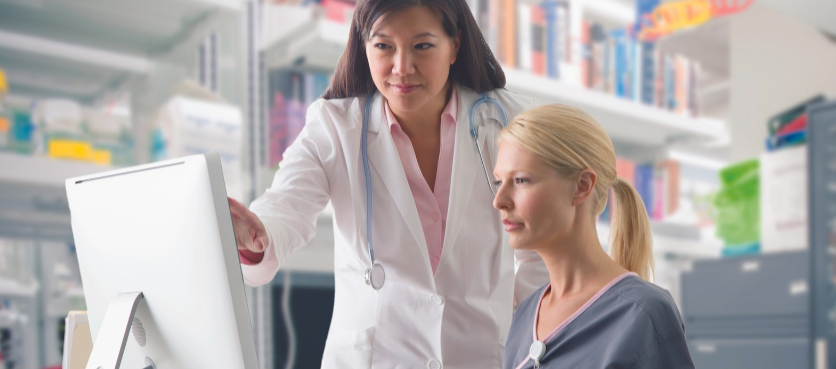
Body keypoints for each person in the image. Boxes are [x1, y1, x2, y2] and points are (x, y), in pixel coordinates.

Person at [227, 0, 548, 367]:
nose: (402, 68)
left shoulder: (509, 122)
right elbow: (285, 206)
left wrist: (525, 329)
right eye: (383, 46)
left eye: (422, 46)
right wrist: (256, 237)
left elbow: (541, 249)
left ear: (455, 45)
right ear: (364, 46)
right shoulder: (335, 128)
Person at [493, 104, 695, 369]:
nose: (500, 201)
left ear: (582, 186)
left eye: (521, 180)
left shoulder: (644, 314)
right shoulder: (527, 314)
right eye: (499, 181)